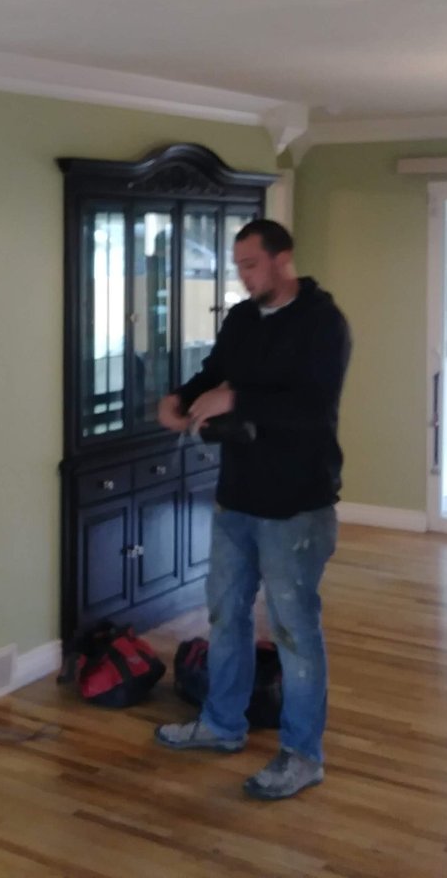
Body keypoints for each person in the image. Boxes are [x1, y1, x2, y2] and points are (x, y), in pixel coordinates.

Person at [153, 218, 351, 800]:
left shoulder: (322, 323)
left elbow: (312, 407)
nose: (242, 275)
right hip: (237, 495)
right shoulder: (242, 319)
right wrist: (181, 398)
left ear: (282, 259)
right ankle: (221, 724)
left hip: (297, 504)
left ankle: (302, 755)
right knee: (225, 615)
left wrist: (236, 398)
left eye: (250, 264)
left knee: (294, 630)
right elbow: (214, 374)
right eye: (238, 265)